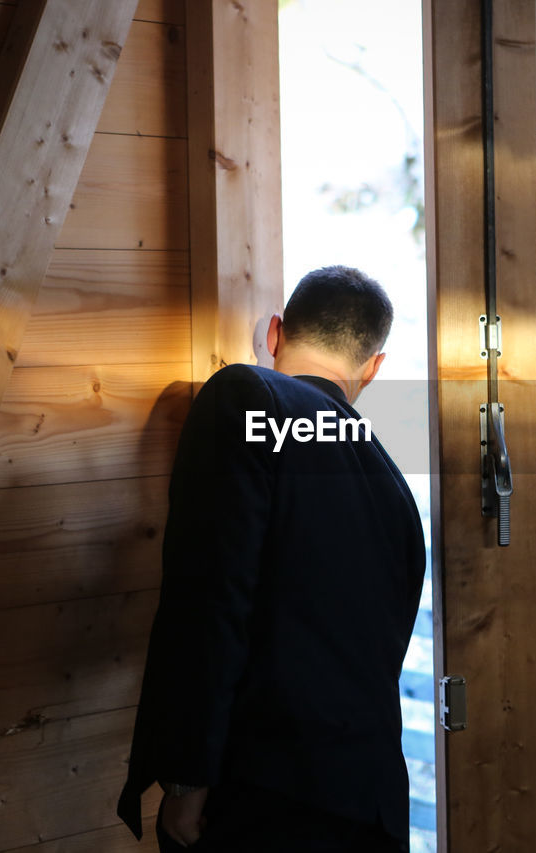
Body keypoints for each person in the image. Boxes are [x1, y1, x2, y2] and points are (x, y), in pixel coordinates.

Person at [116, 266, 426, 852]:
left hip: (268, 800)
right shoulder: (392, 483)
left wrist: (186, 782)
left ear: (276, 334)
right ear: (373, 367)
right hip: (374, 803)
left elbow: (210, 601)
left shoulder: (248, 397)